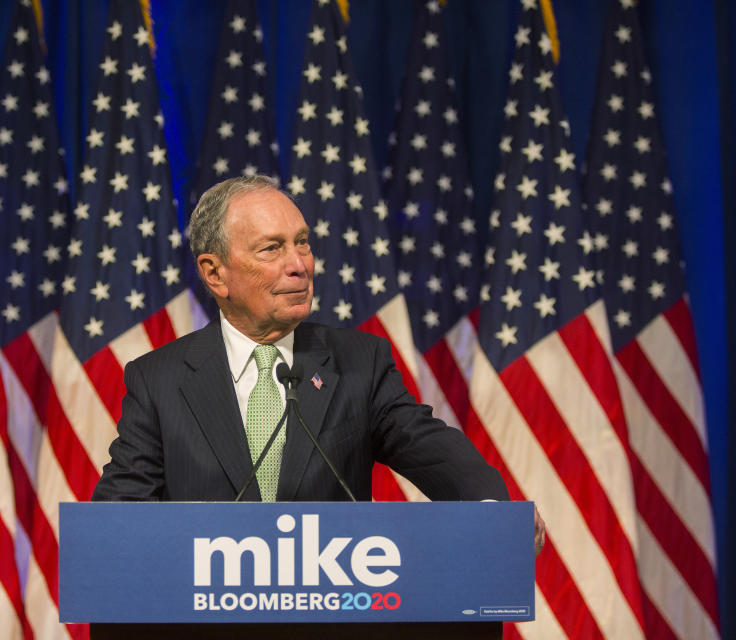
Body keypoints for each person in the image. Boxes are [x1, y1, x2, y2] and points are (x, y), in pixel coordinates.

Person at [92, 175, 545, 555]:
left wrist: (491, 507)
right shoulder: (160, 380)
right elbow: (117, 518)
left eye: (303, 243)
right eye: (271, 249)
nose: (299, 265)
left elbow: (426, 444)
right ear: (215, 273)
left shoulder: (358, 363)